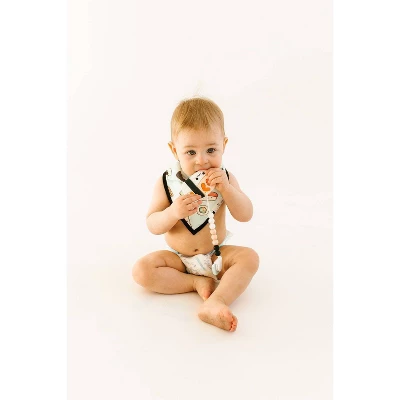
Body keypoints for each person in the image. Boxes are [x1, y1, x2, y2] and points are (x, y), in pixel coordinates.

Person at [132, 97, 259, 332]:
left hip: (216, 256)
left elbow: (245, 214)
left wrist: (227, 190)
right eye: (190, 152)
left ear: (224, 144)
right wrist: (173, 212)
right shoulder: (167, 183)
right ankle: (195, 282)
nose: (202, 161)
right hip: (178, 261)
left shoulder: (225, 178)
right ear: (174, 150)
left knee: (249, 258)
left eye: (211, 150)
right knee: (142, 271)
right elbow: (153, 224)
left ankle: (217, 301)